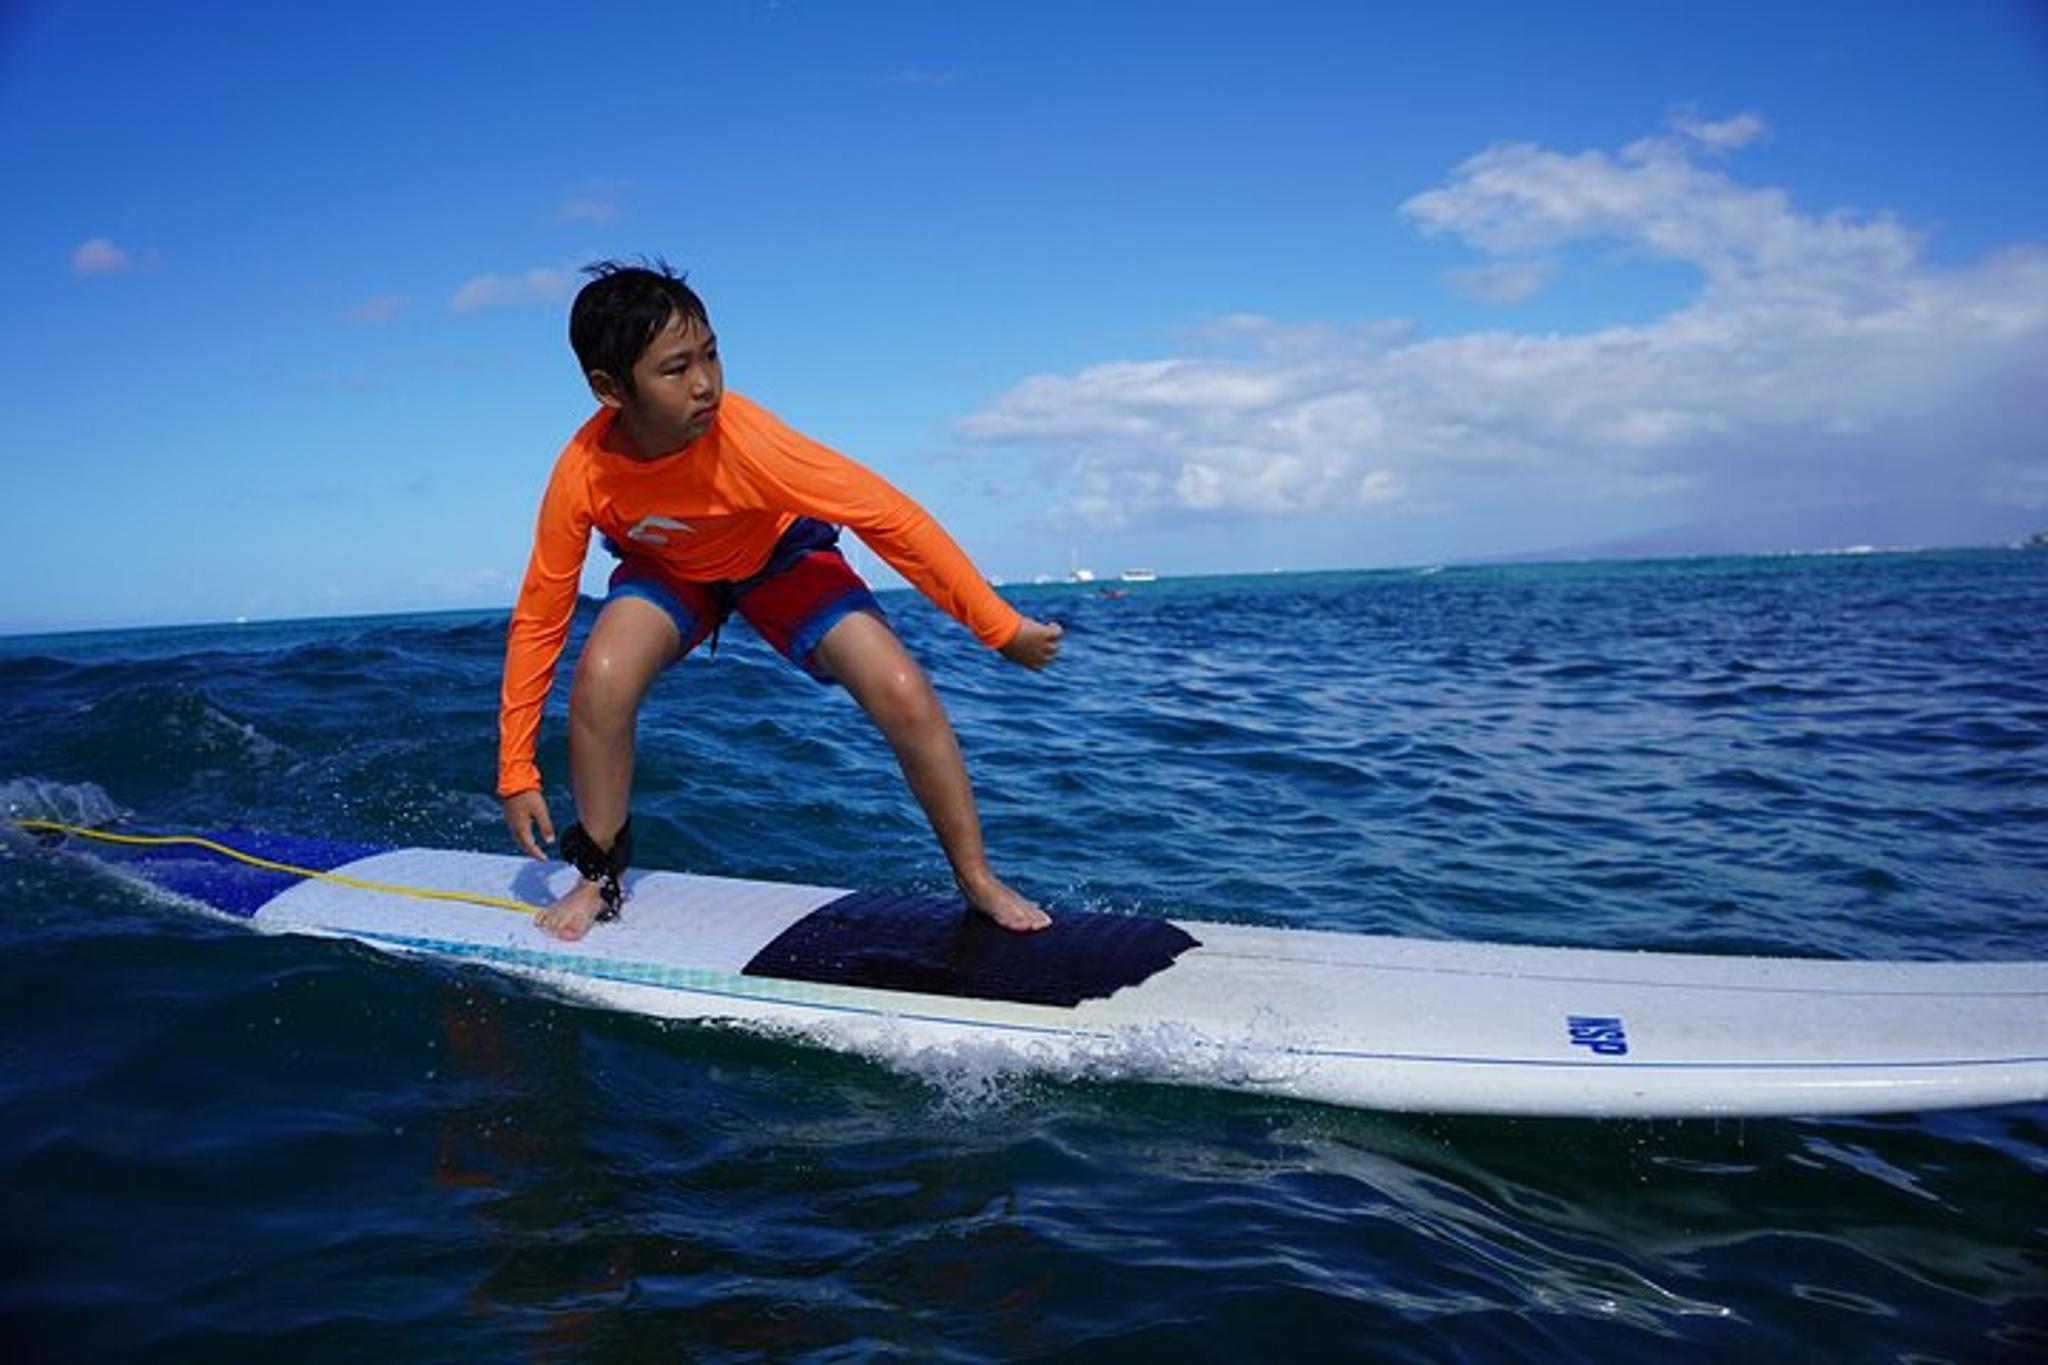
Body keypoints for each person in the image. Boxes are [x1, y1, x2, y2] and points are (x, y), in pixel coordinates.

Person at [497, 261, 1062, 941]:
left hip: (781, 559)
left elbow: (891, 518)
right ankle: (599, 874)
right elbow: (541, 612)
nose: (706, 383)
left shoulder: (751, 441)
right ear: (609, 389)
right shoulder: (583, 473)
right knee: (602, 678)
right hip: (671, 570)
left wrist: (999, 628)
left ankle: (976, 877)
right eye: (676, 369)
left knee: (901, 685)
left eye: (710, 355)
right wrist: (516, 767)